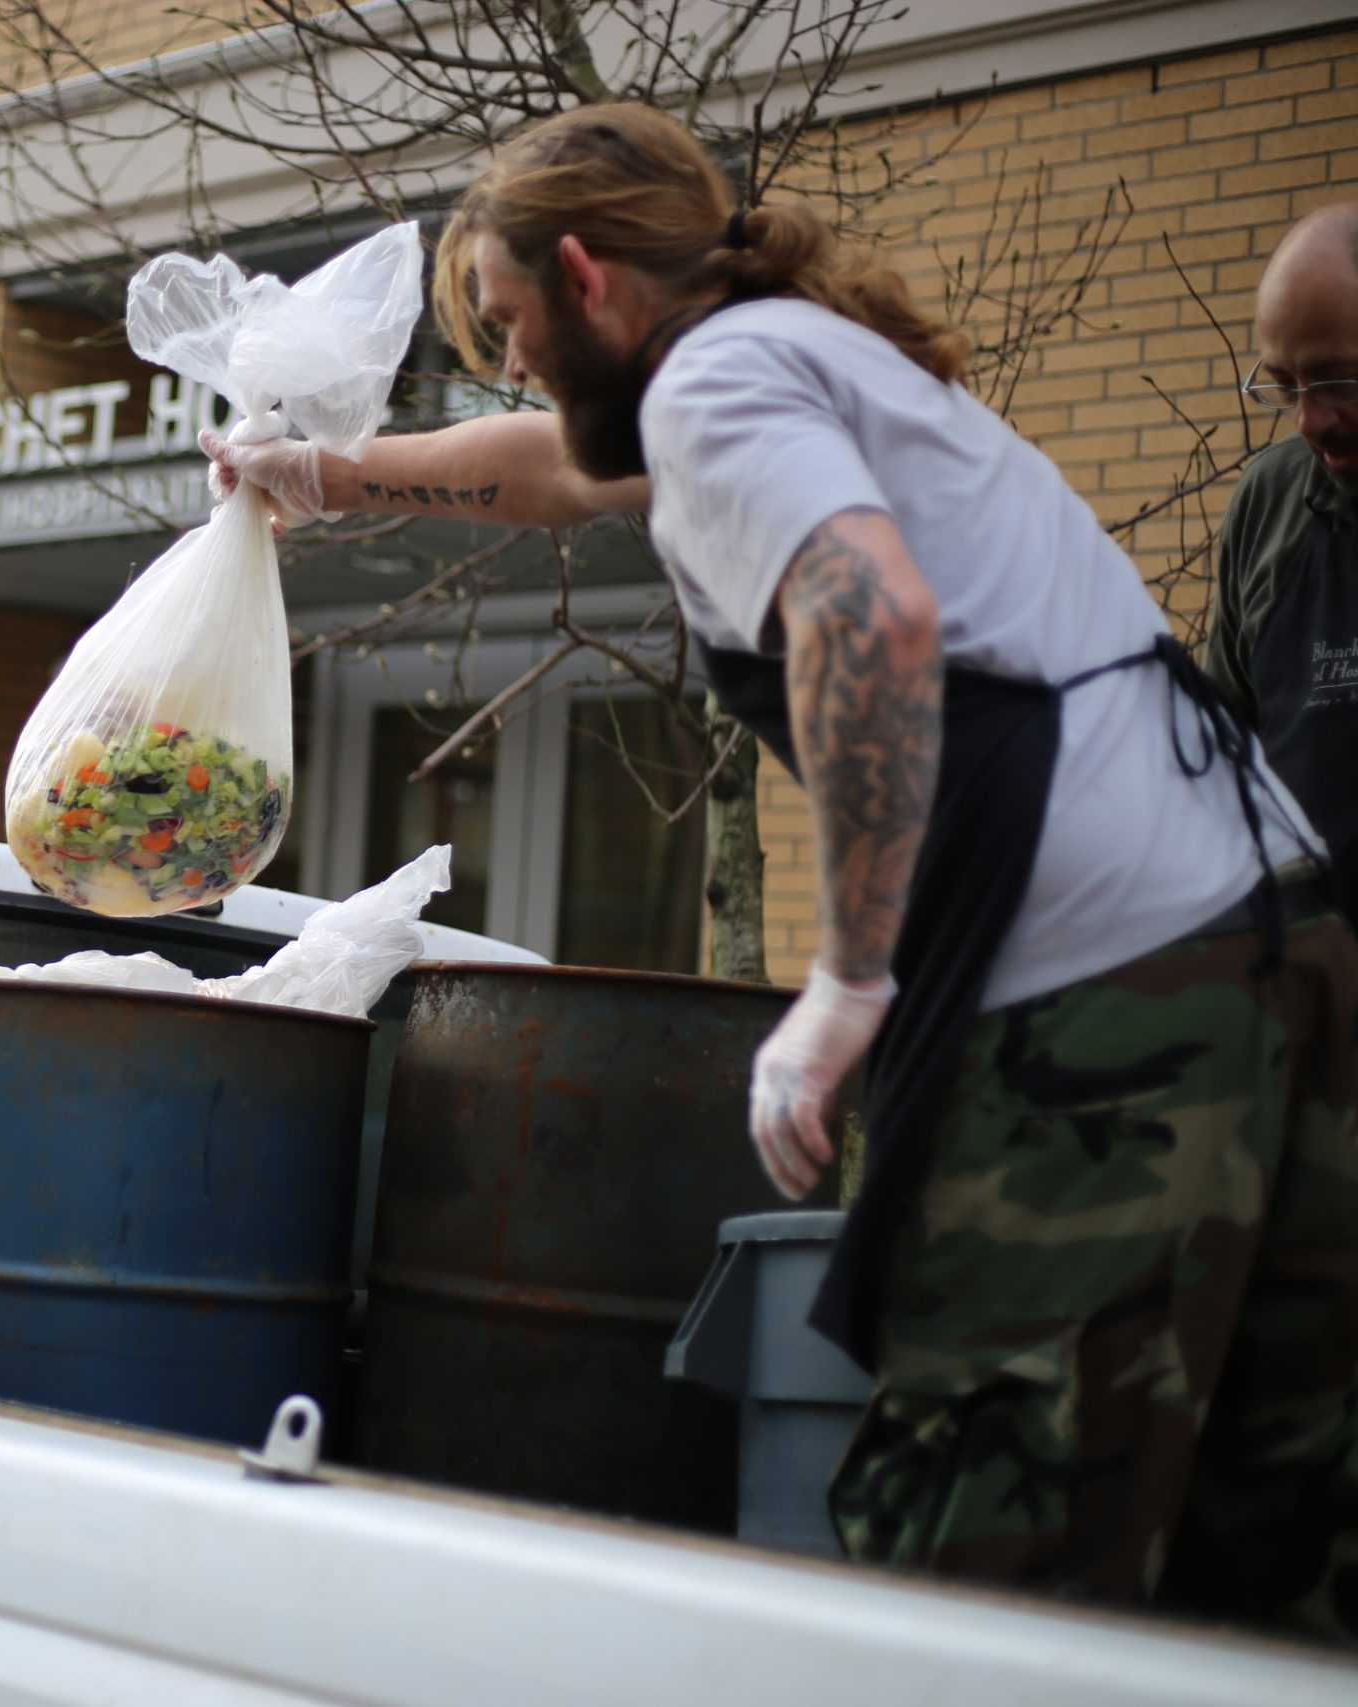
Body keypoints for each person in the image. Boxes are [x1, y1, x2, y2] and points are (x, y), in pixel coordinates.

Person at [205, 103, 1358, 1637]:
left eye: (506, 319)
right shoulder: (799, 354)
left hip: (1116, 1001)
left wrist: (844, 980)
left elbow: (864, 613)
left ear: (583, 273)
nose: (512, 360)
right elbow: (547, 467)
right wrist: (328, 477)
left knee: (982, 1573)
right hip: (1288, 960)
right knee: (1260, 1559)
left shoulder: (720, 385)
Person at [1207, 204, 1358, 933]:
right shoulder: (1269, 502)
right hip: (1305, 1001)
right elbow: (1220, 767)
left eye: (1339, 381)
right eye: (1285, 385)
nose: (1310, 418)